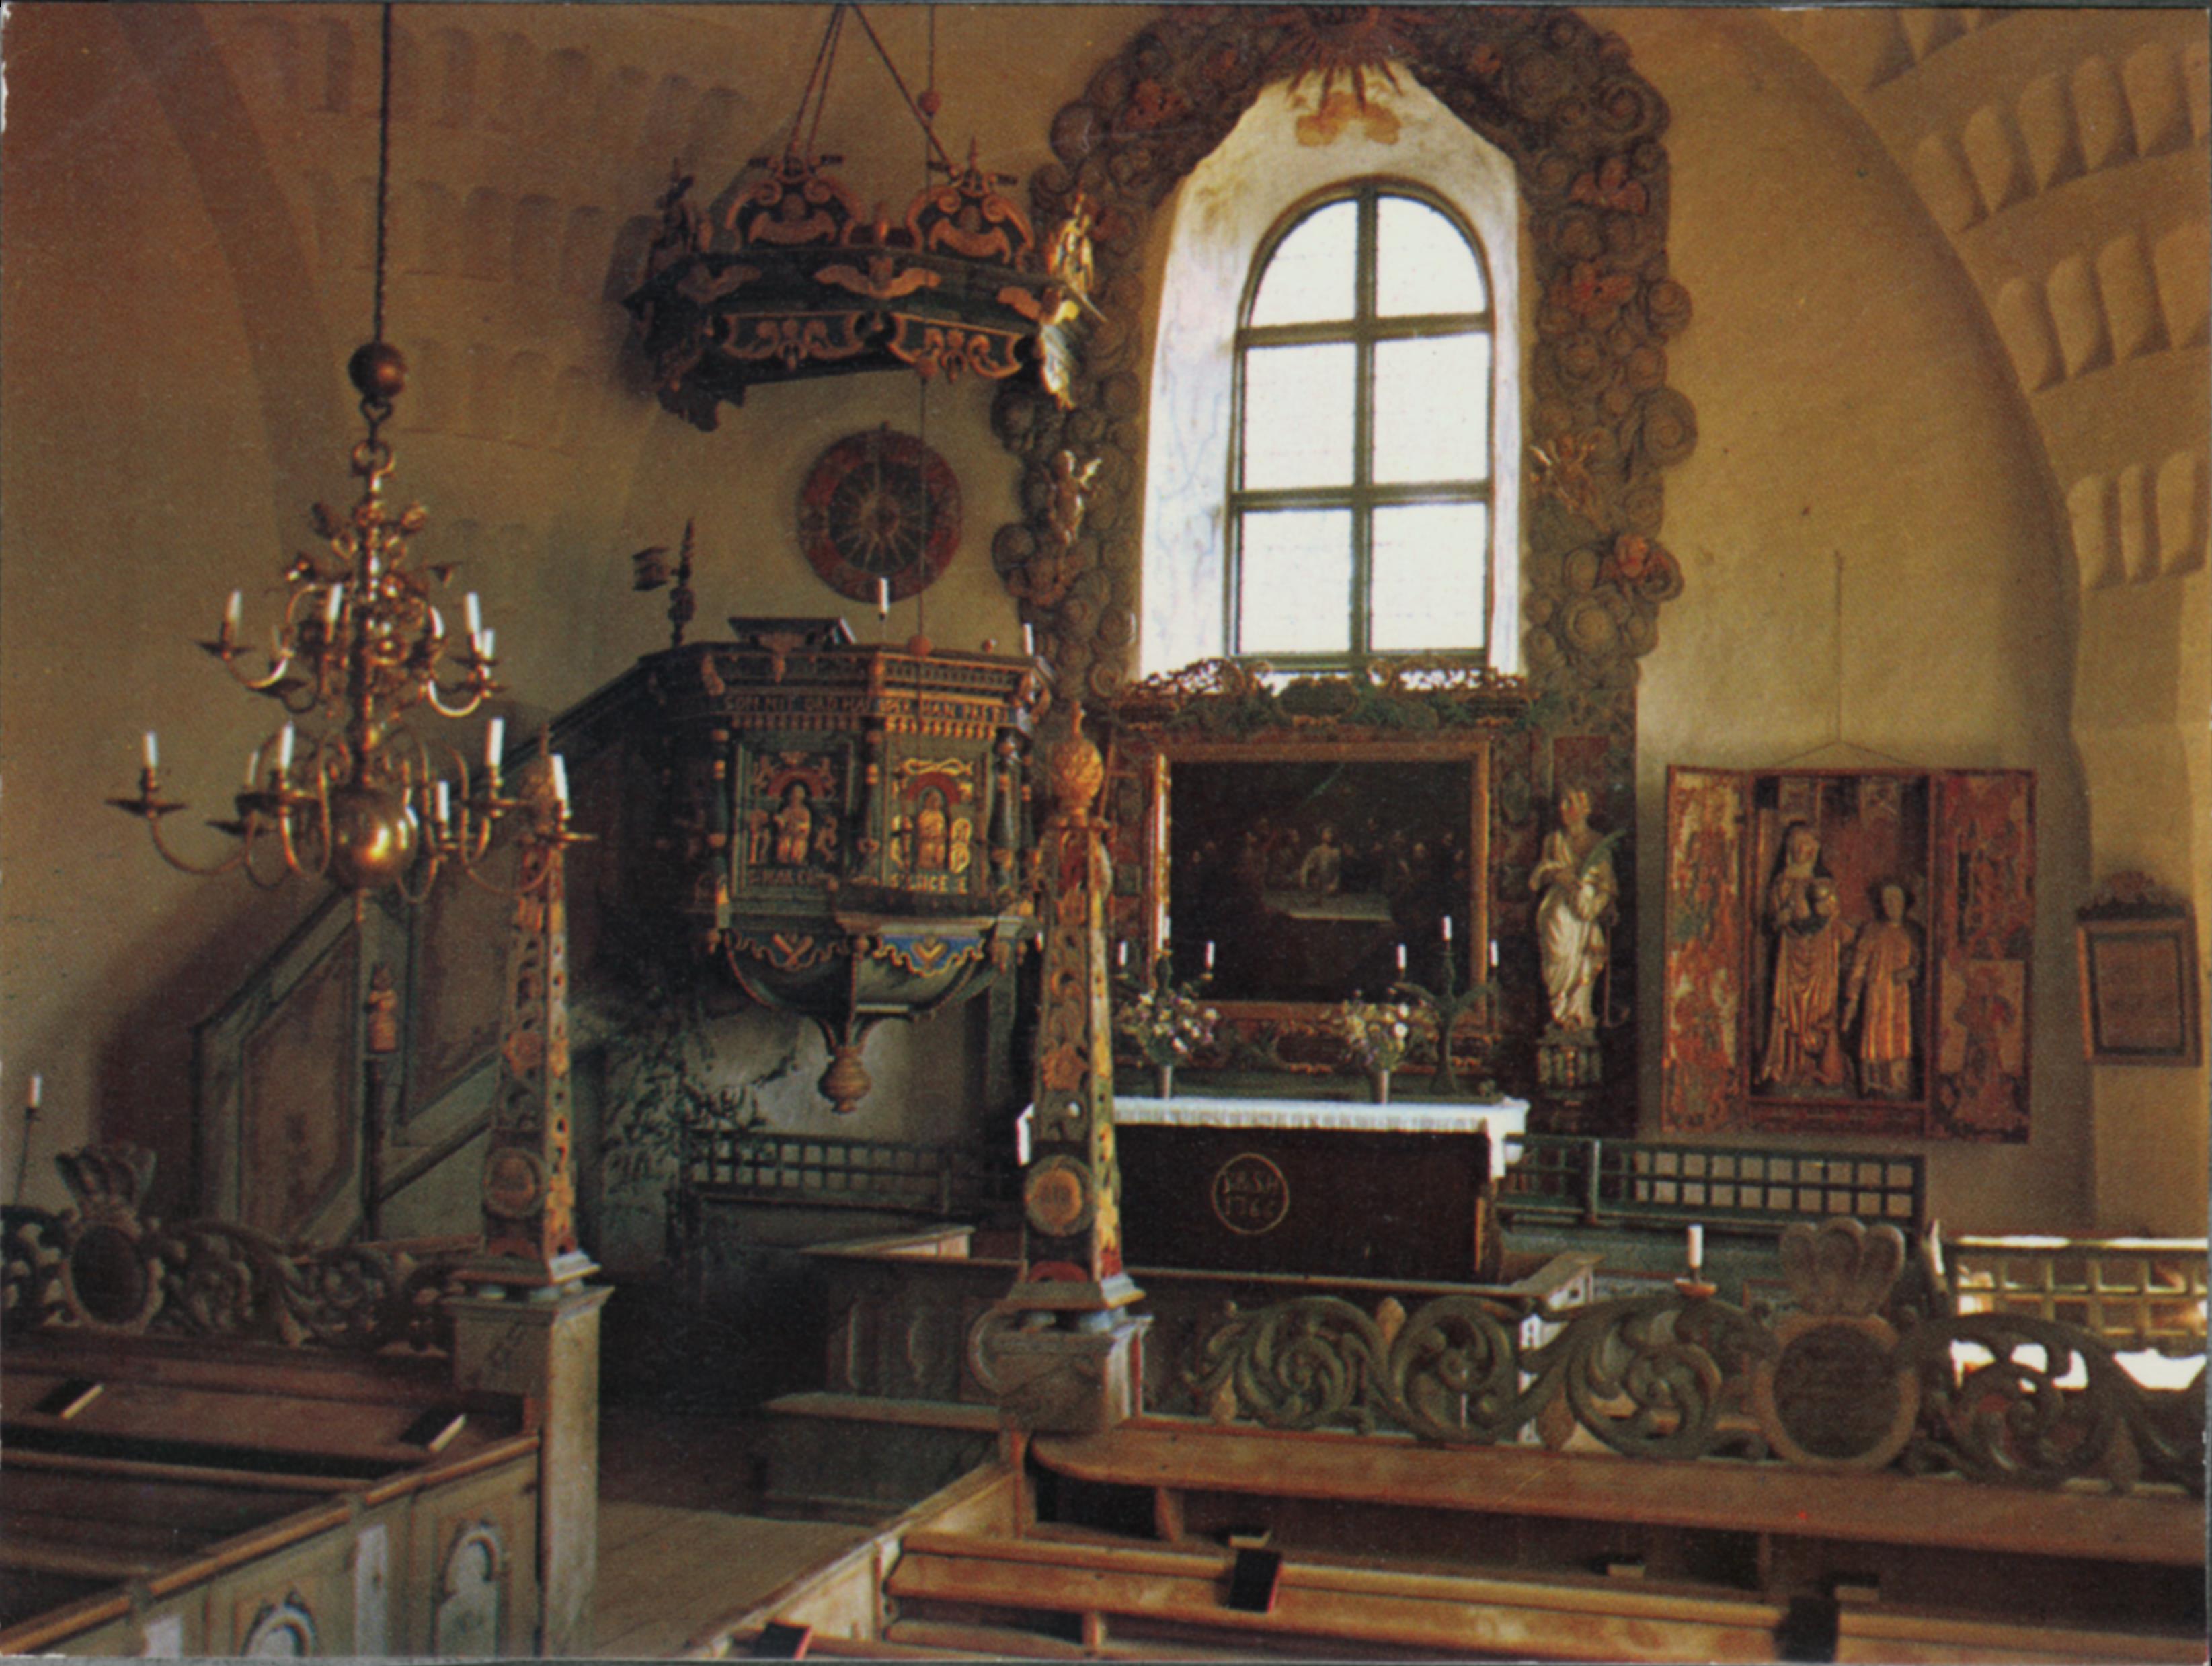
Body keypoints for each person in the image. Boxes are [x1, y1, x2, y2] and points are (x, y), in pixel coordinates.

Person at [1760, 822, 1851, 1090]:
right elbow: (1772, 921)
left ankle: (1821, 1066)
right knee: (1788, 1007)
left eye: (1807, 844)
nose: (1801, 849)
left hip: (1821, 952)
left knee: (1819, 1007)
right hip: (1790, 952)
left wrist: (1824, 912)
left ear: (1815, 848)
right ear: (1789, 848)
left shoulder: (1824, 882)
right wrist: (1783, 917)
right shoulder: (1782, 881)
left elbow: (1832, 917)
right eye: (1796, 844)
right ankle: (1788, 1066)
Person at [1530, 789, 1616, 1033]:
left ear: (1584, 807)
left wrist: (1597, 906)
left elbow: (1607, 886)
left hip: (1584, 914)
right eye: (1561, 803)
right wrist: (1557, 875)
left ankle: (1577, 1015)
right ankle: (1559, 1010)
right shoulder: (1554, 841)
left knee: (1583, 964)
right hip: (1557, 911)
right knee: (1557, 955)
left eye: (1569, 802)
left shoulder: (1597, 842)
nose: (1562, 808)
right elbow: (1539, 876)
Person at [1842, 880, 1920, 1097]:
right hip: (1876, 994)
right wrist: (1852, 999)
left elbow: (1920, 963)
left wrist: (1912, 972)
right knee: (1875, 1038)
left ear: (1905, 903)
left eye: (1896, 899)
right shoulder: (1872, 932)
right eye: (1887, 900)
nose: (1892, 905)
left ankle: (1898, 1085)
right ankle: (1874, 1084)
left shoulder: (1912, 933)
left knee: (1900, 1038)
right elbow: (1859, 967)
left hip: (1901, 997)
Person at [773, 781, 814, 867]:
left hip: (799, 836)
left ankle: (797, 860)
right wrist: (780, 821)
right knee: (785, 843)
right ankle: (783, 860)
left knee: (798, 846)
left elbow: (806, 825)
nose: (795, 799)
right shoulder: (787, 810)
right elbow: (783, 824)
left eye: (798, 796)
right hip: (787, 834)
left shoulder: (804, 811)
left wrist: (799, 826)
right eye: (793, 795)